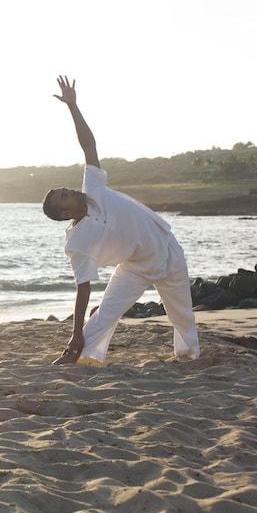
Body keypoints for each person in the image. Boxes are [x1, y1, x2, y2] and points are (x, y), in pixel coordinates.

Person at [43, 76, 200, 366]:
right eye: (64, 196)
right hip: (135, 268)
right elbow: (83, 289)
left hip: (167, 248)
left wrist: (73, 107)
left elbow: (88, 145)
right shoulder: (77, 242)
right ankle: (77, 354)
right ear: (65, 213)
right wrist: (75, 332)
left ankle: (189, 358)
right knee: (106, 313)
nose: (70, 190)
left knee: (182, 315)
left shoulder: (94, 189)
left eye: (65, 189)